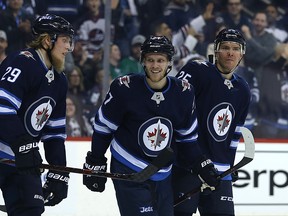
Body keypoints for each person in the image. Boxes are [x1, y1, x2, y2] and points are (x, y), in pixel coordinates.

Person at [82, 35, 220, 216]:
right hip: (129, 167)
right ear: (143, 61)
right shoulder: (125, 88)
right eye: (150, 60)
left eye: (160, 60)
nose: (155, 66)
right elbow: (103, 128)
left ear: (169, 62)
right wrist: (96, 161)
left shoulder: (184, 92)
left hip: (162, 171)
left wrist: (203, 165)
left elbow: (187, 141)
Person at [0, 14, 74, 215]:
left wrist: (59, 171)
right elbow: (2, 108)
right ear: (47, 40)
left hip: (19, 159)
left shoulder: (60, 81)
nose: (68, 47)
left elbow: (54, 133)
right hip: (15, 151)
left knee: (31, 210)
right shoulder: (23, 62)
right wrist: (23, 145)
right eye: (65, 40)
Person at [173, 28, 251, 216]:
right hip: (187, 166)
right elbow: (174, 111)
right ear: (216, 50)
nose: (230, 52)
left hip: (219, 172)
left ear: (242, 53)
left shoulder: (243, 89)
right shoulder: (196, 71)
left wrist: (229, 166)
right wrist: (197, 161)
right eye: (225, 47)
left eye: (235, 48)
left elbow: (234, 133)